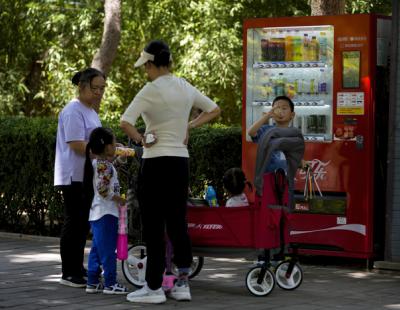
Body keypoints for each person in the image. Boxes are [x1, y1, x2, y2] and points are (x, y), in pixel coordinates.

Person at [120, 39, 220, 304]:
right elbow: (214, 110)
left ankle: (153, 288)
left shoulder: (150, 89)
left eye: (146, 67)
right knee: (177, 224)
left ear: (152, 64)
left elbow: (125, 121)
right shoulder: (184, 86)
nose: (145, 71)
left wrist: (142, 139)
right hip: (179, 162)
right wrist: (189, 126)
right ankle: (182, 283)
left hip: (155, 162)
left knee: (153, 226)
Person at [54, 68, 106, 287]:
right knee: (74, 222)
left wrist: (111, 149)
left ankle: (78, 268)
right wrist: (106, 152)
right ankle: (68, 273)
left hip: (87, 175)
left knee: (82, 223)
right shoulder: (73, 110)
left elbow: (95, 143)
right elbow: (76, 144)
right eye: (95, 88)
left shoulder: (91, 111)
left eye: (103, 88)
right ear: (82, 86)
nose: (99, 93)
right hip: (73, 175)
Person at [83, 127, 129, 295]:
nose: (116, 145)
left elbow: (107, 173)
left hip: (97, 213)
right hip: (106, 213)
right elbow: (103, 190)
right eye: (114, 142)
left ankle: (92, 281)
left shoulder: (99, 163)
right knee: (109, 251)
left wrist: (118, 159)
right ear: (107, 147)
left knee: (97, 249)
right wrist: (120, 200)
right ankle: (111, 283)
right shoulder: (104, 166)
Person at [247, 95, 295, 173]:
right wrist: (267, 115)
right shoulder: (266, 130)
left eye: (284, 108)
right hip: (268, 177)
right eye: (277, 108)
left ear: (292, 115)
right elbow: (251, 132)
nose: (280, 111)